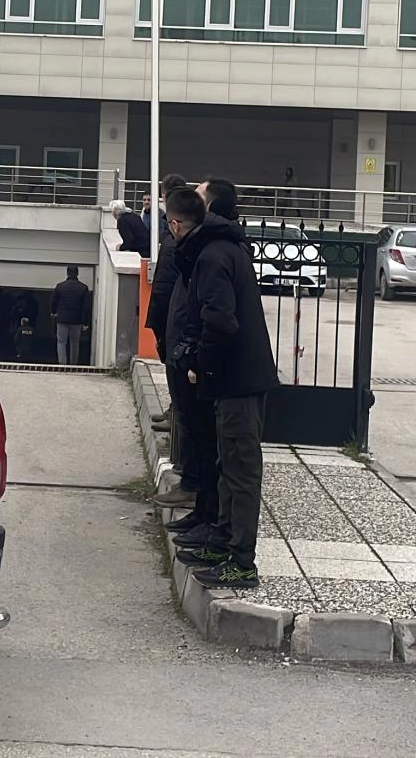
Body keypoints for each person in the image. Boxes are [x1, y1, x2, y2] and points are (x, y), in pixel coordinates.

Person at [163, 185, 277, 590]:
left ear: (175, 225)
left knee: (240, 471)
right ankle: (223, 543)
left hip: (237, 381)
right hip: (231, 380)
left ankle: (241, 563)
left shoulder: (213, 256)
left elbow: (221, 322)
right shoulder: (219, 249)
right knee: (227, 467)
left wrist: (199, 363)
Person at [50, 265, 90, 365]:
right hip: (76, 320)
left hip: (62, 319)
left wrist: (54, 312)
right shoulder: (83, 288)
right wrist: (85, 322)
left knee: (61, 341)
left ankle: (62, 363)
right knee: (75, 342)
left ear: (67, 273)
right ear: (77, 273)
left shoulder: (60, 286)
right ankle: (73, 364)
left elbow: (53, 302)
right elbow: (86, 307)